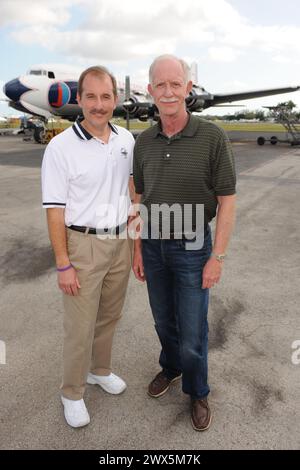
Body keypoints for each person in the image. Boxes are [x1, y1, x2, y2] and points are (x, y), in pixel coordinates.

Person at [132, 55, 236, 431]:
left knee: (193, 330)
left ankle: (198, 390)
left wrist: (217, 256)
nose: (168, 91)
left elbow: (227, 200)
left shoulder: (212, 137)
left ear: (188, 89)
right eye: (160, 85)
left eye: (176, 84)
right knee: (163, 321)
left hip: (194, 245)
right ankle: (171, 368)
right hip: (154, 243)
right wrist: (138, 247)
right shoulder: (143, 142)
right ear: (150, 91)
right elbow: (138, 197)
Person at [41, 66, 135, 428]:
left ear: (116, 99)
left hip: (119, 240)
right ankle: (72, 392)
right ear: (78, 99)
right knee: (80, 325)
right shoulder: (60, 147)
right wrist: (63, 263)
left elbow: (132, 190)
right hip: (81, 244)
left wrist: (135, 236)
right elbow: (54, 209)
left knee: (110, 316)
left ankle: (100, 370)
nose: (99, 104)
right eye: (91, 97)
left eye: (106, 96)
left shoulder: (127, 139)